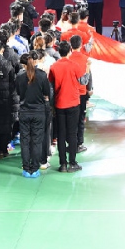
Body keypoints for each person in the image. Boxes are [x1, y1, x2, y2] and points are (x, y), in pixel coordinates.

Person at [48, 41, 90, 173]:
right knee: (72, 133)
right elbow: (84, 81)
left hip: (59, 104)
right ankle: (72, 163)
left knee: (61, 134)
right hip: (73, 103)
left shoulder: (54, 67)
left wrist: (51, 104)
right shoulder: (74, 65)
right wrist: (87, 69)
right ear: (70, 50)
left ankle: (63, 164)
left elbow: (51, 87)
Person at [16, 51, 51, 177]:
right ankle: (35, 169)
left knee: (25, 141)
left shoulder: (20, 76)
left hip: (24, 112)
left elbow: (18, 92)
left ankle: (26, 168)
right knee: (37, 141)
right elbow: (47, 92)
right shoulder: (42, 75)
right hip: (39, 112)